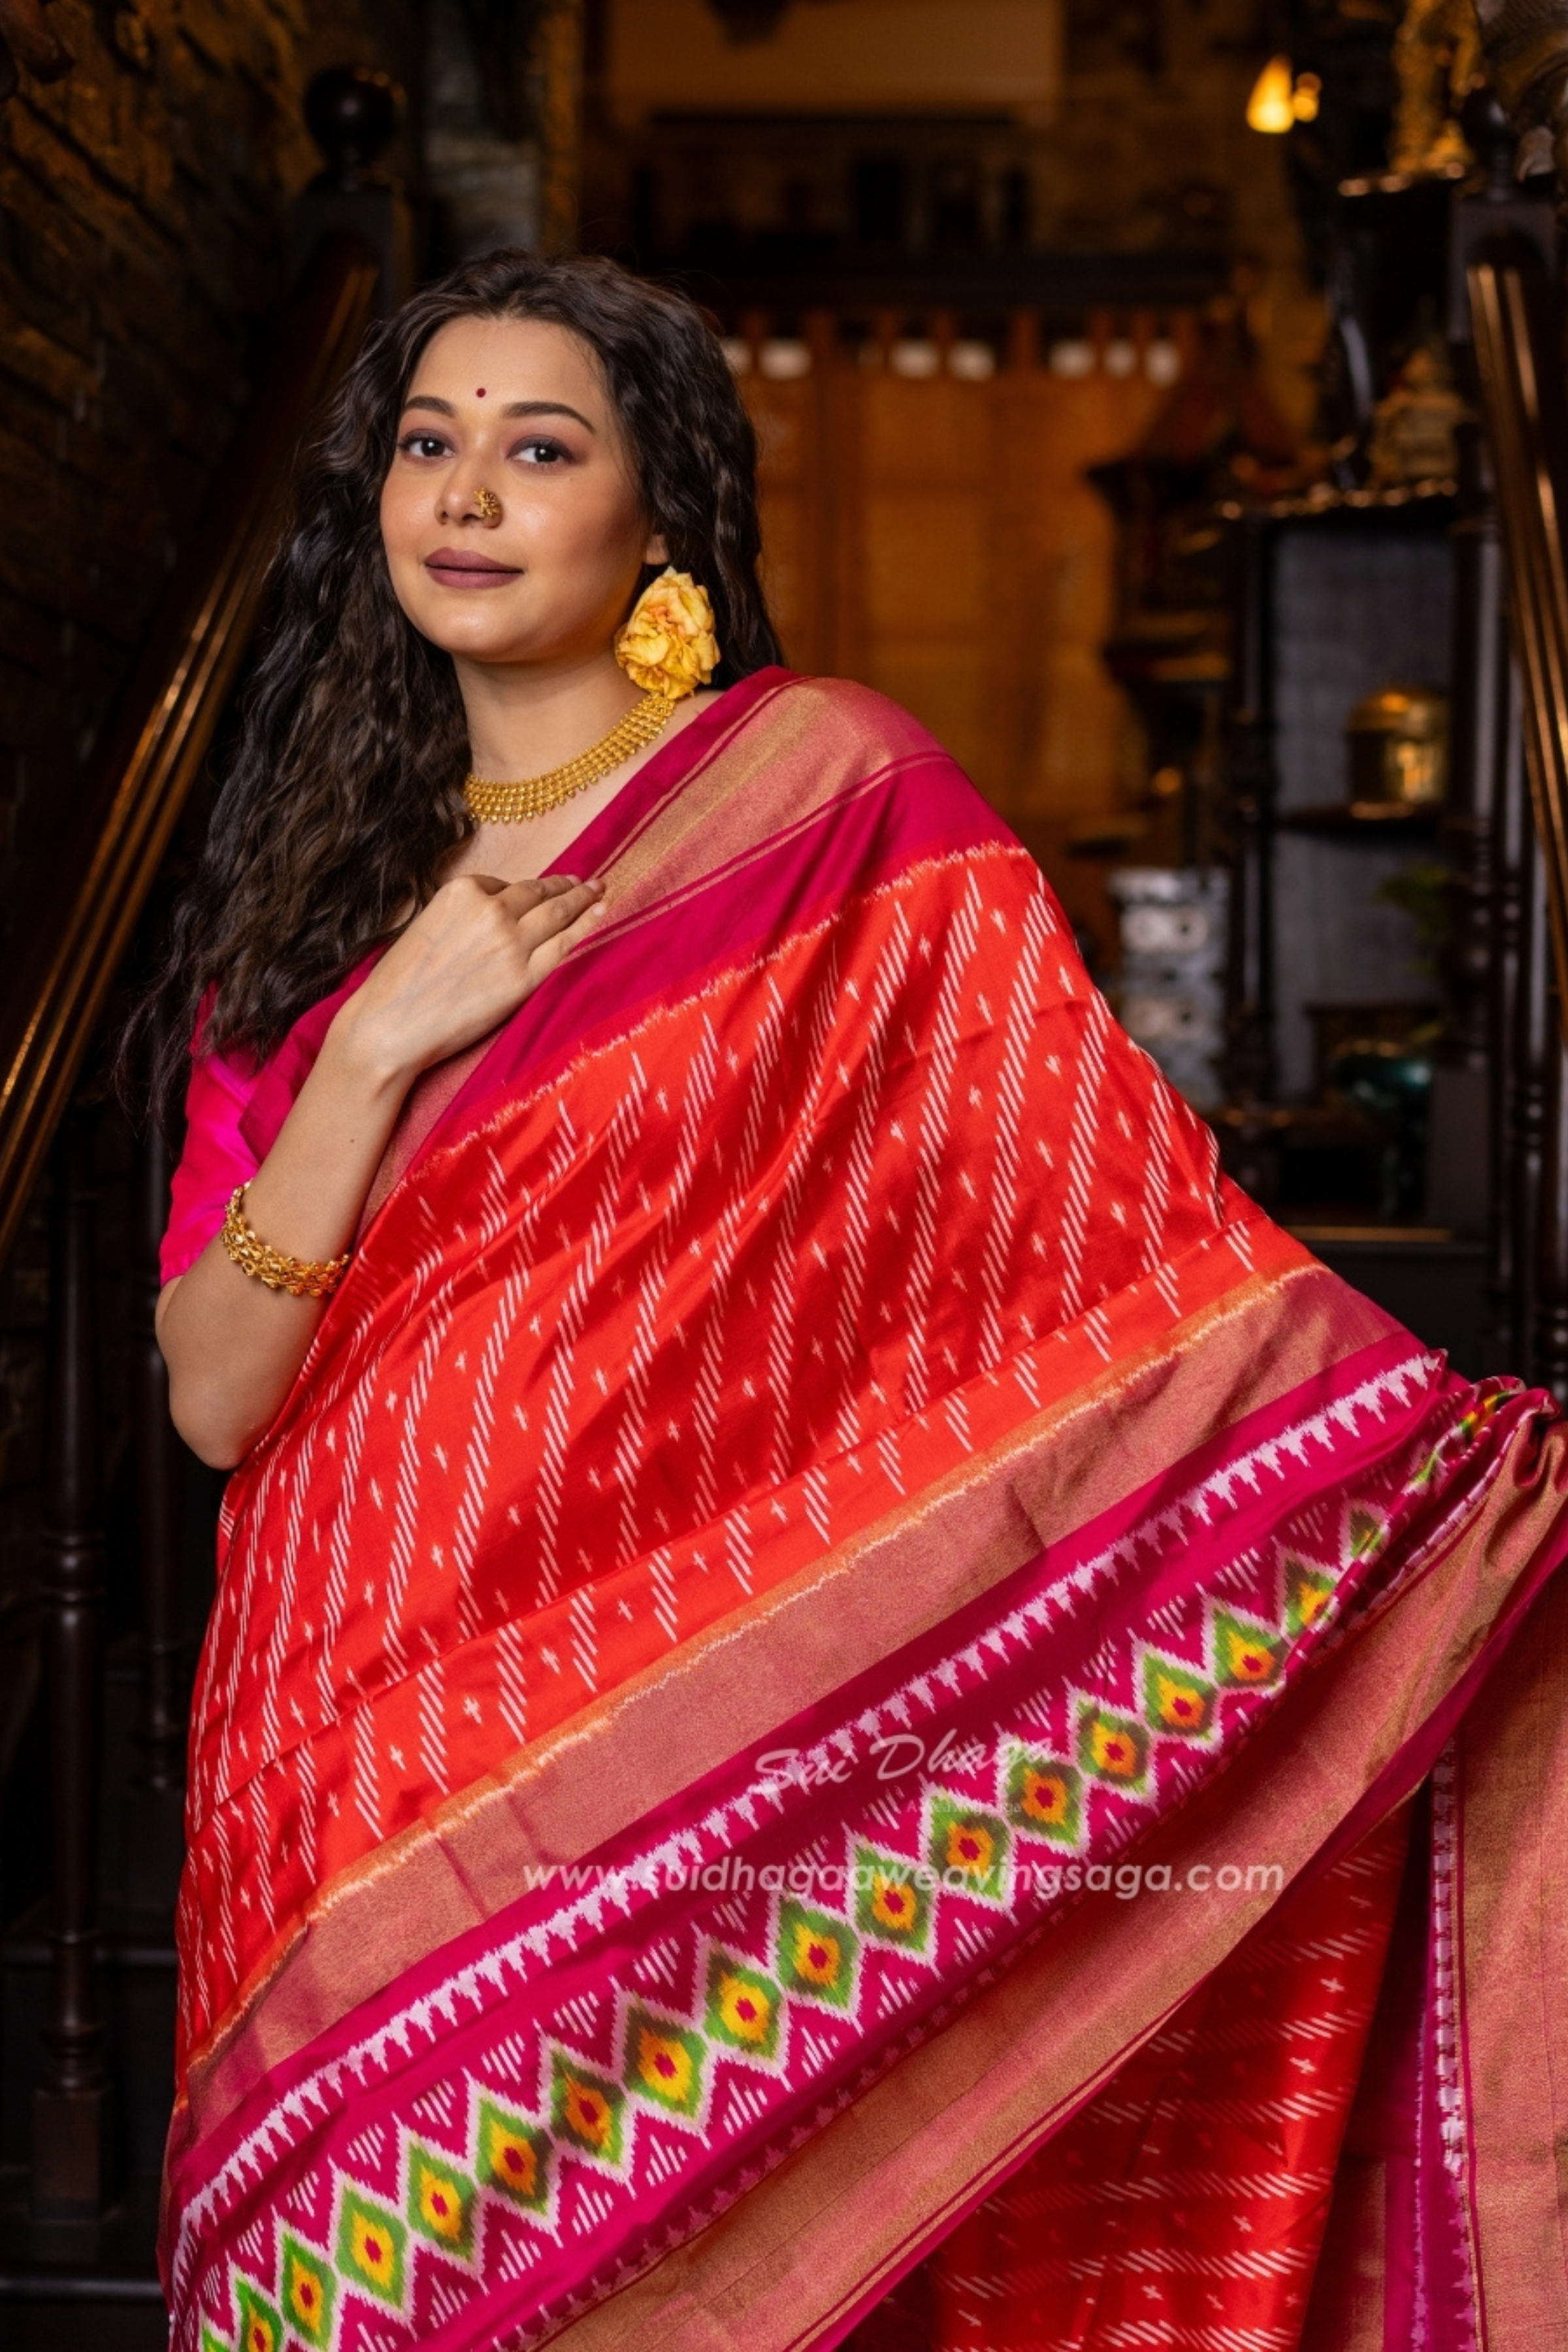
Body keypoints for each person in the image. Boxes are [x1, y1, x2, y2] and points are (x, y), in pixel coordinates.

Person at [142, 249, 1568, 2352]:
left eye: (542, 450)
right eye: (428, 446)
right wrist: (373, 1052)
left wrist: (1429, 1491)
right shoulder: (306, 903)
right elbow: (208, 1401)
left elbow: (1076, 1214)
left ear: (662, 518)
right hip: (352, 1713)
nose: (468, 492)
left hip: (686, 1685)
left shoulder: (826, 798)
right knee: (359, 2268)